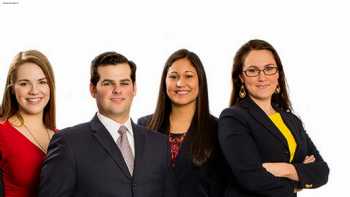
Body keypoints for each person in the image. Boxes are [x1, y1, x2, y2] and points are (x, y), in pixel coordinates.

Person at [39, 51, 176, 197]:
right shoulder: (69, 143)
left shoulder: (160, 145)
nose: (117, 90)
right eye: (108, 83)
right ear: (92, 89)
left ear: (134, 88)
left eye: (124, 83)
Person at [218, 39, 329, 197]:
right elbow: (250, 178)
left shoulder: (292, 120)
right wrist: (297, 180)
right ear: (241, 77)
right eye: (252, 70)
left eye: (269, 68)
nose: (262, 77)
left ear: (278, 74)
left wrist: (285, 169)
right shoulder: (233, 118)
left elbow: (322, 171)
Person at [138, 49, 228, 197]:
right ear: (164, 81)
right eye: (173, 76)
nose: (180, 83)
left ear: (200, 81)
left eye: (189, 76)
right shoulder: (144, 126)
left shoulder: (217, 129)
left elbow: (223, 186)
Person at [0, 50, 56, 197]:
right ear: (12, 89)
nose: (34, 91)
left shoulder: (62, 137)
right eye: (24, 83)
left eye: (42, 82)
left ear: (50, 86)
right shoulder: (2, 133)